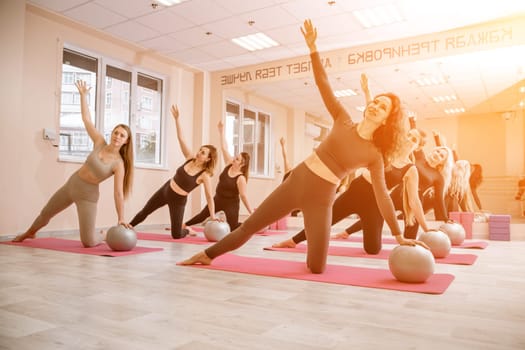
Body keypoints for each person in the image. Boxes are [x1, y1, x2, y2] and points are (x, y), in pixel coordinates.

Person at [179, 19, 423, 274]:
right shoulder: (343, 119)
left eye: (382, 107)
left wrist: (398, 235)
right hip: (298, 181)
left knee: (317, 267)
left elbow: (382, 195)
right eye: (375, 101)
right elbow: (323, 84)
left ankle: (305, 254)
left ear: (386, 120)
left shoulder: (374, 155)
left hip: (323, 198)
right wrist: (313, 49)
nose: (375, 105)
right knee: (248, 227)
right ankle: (207, 255)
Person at [13, 80, 134, 247]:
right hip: (73, 184)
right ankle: (29, 233)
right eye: (116, 133)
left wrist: (121, 217)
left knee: (89, 242)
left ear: (126, 141)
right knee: (45, 214)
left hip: (88, 196)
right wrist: (83, 96)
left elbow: (118, 193)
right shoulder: (99, 141)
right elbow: (86, 120)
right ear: (111, 133)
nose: (117, 137)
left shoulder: (118, 164)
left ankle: (103, 234)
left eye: (122, 135)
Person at [274, 127, 431, 253]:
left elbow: (414, 201)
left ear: (419, 147)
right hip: (356, 191)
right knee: (325, 220)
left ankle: (363, 222)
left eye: (414, 139)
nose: (409, 140)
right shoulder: (386, 150)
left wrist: (427, 229)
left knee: (373, 250)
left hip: (375, 203)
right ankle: (293, 241)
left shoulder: (411, 169)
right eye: (409, 135)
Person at [129, 105, 218, 239]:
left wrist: (212, 216)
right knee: (145, 211)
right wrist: (177, 120)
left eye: (203, 152)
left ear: (208, 159)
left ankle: (187, 231)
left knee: (176, 235)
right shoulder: (189, 158)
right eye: (200, 150)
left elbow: (209, 197)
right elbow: (181, 139)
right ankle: (128, 227)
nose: (199, 153)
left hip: (179, 200)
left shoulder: (204, 175)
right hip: (166, 190)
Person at [183, 120, 253, 233]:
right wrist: (221, 131)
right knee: (202, 215)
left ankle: (251, 226)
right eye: (236, 157)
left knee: (233, 227)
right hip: (218, 198)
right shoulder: (229, 164)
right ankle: (183, 225)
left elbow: (243, 196)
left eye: (237, 159)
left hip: (231, 204)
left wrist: (251, 212)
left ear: (243, 164)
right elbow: (224, 148)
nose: (234, 159)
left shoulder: (241, 178)